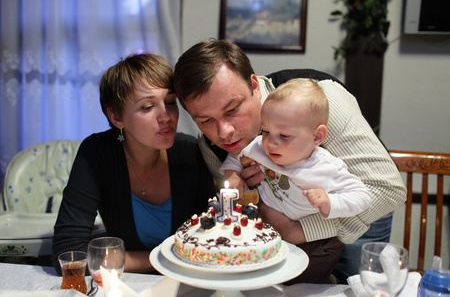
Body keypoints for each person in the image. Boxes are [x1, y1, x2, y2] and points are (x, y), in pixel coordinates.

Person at [173, 39, 406, 284]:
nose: (224, 132)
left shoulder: (322, 101)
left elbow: (387, 190)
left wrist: (303, 230)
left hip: (360, 208)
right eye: (206, 121)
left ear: (254, 85)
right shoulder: (211, 147)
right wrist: (249, 195)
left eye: (232, 110)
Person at [52, 53, 216, 275]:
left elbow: (212, 237)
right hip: (125, 284)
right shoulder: (97, 153)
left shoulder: (191, 151)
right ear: (116, 117)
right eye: (148, 107)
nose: (166, 116)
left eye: (170, 102)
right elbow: (69, 254)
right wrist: (164, 259)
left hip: (188, 281)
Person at [220, 78, 371, 221]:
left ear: (317, 136)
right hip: (266, 229)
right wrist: (232, 173)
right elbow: (238, 155)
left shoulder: (327, 168)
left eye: (284, 135)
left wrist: (330, 202)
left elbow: (363, 197)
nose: (271, 143)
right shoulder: (260, 146)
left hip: (314, 242)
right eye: (266, 131)